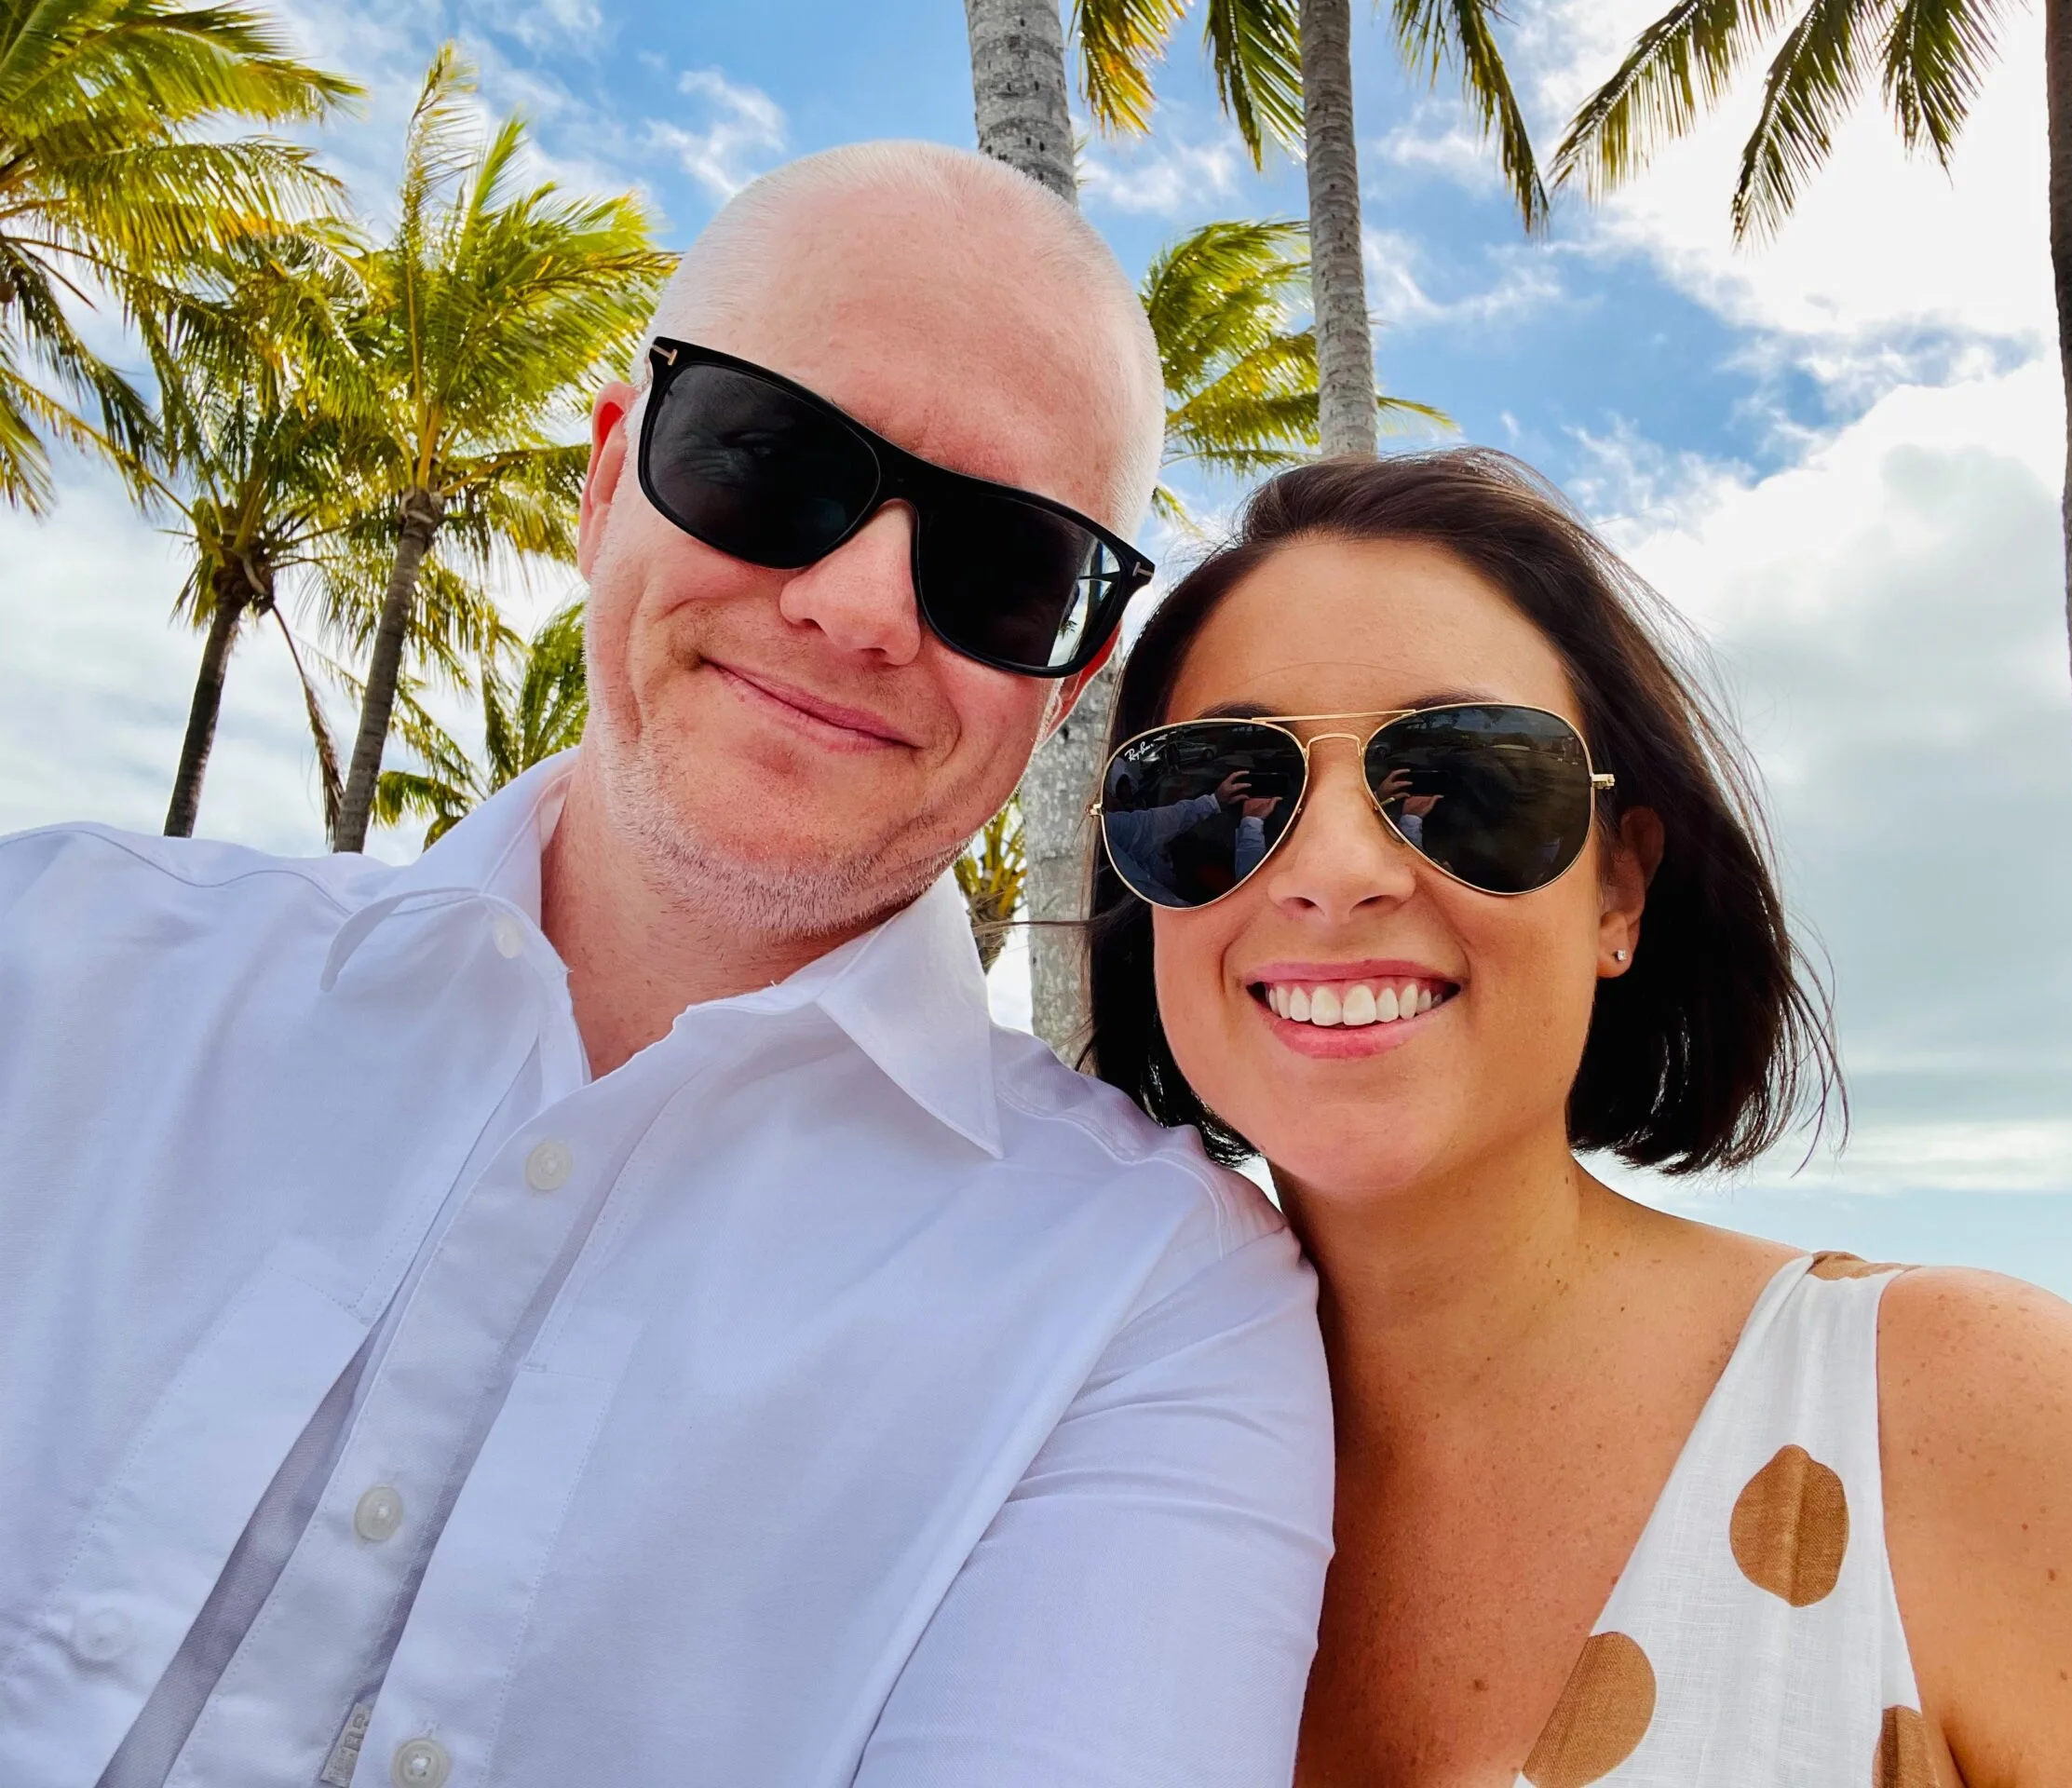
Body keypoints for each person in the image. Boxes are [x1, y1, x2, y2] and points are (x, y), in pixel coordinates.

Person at [0, 142, 1333, 1788]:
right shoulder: (49, 964)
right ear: (607, 473)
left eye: (1005, 565)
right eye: (770, 462)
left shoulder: (1154, 1314)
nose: (857, 608)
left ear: (1068, 682)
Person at [1085, 449, 2072, 1787]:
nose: (1332, 871)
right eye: (1223, 792)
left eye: (1466, 782)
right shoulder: (1066, 1446)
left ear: (1619, 896)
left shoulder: (1963, 1419)